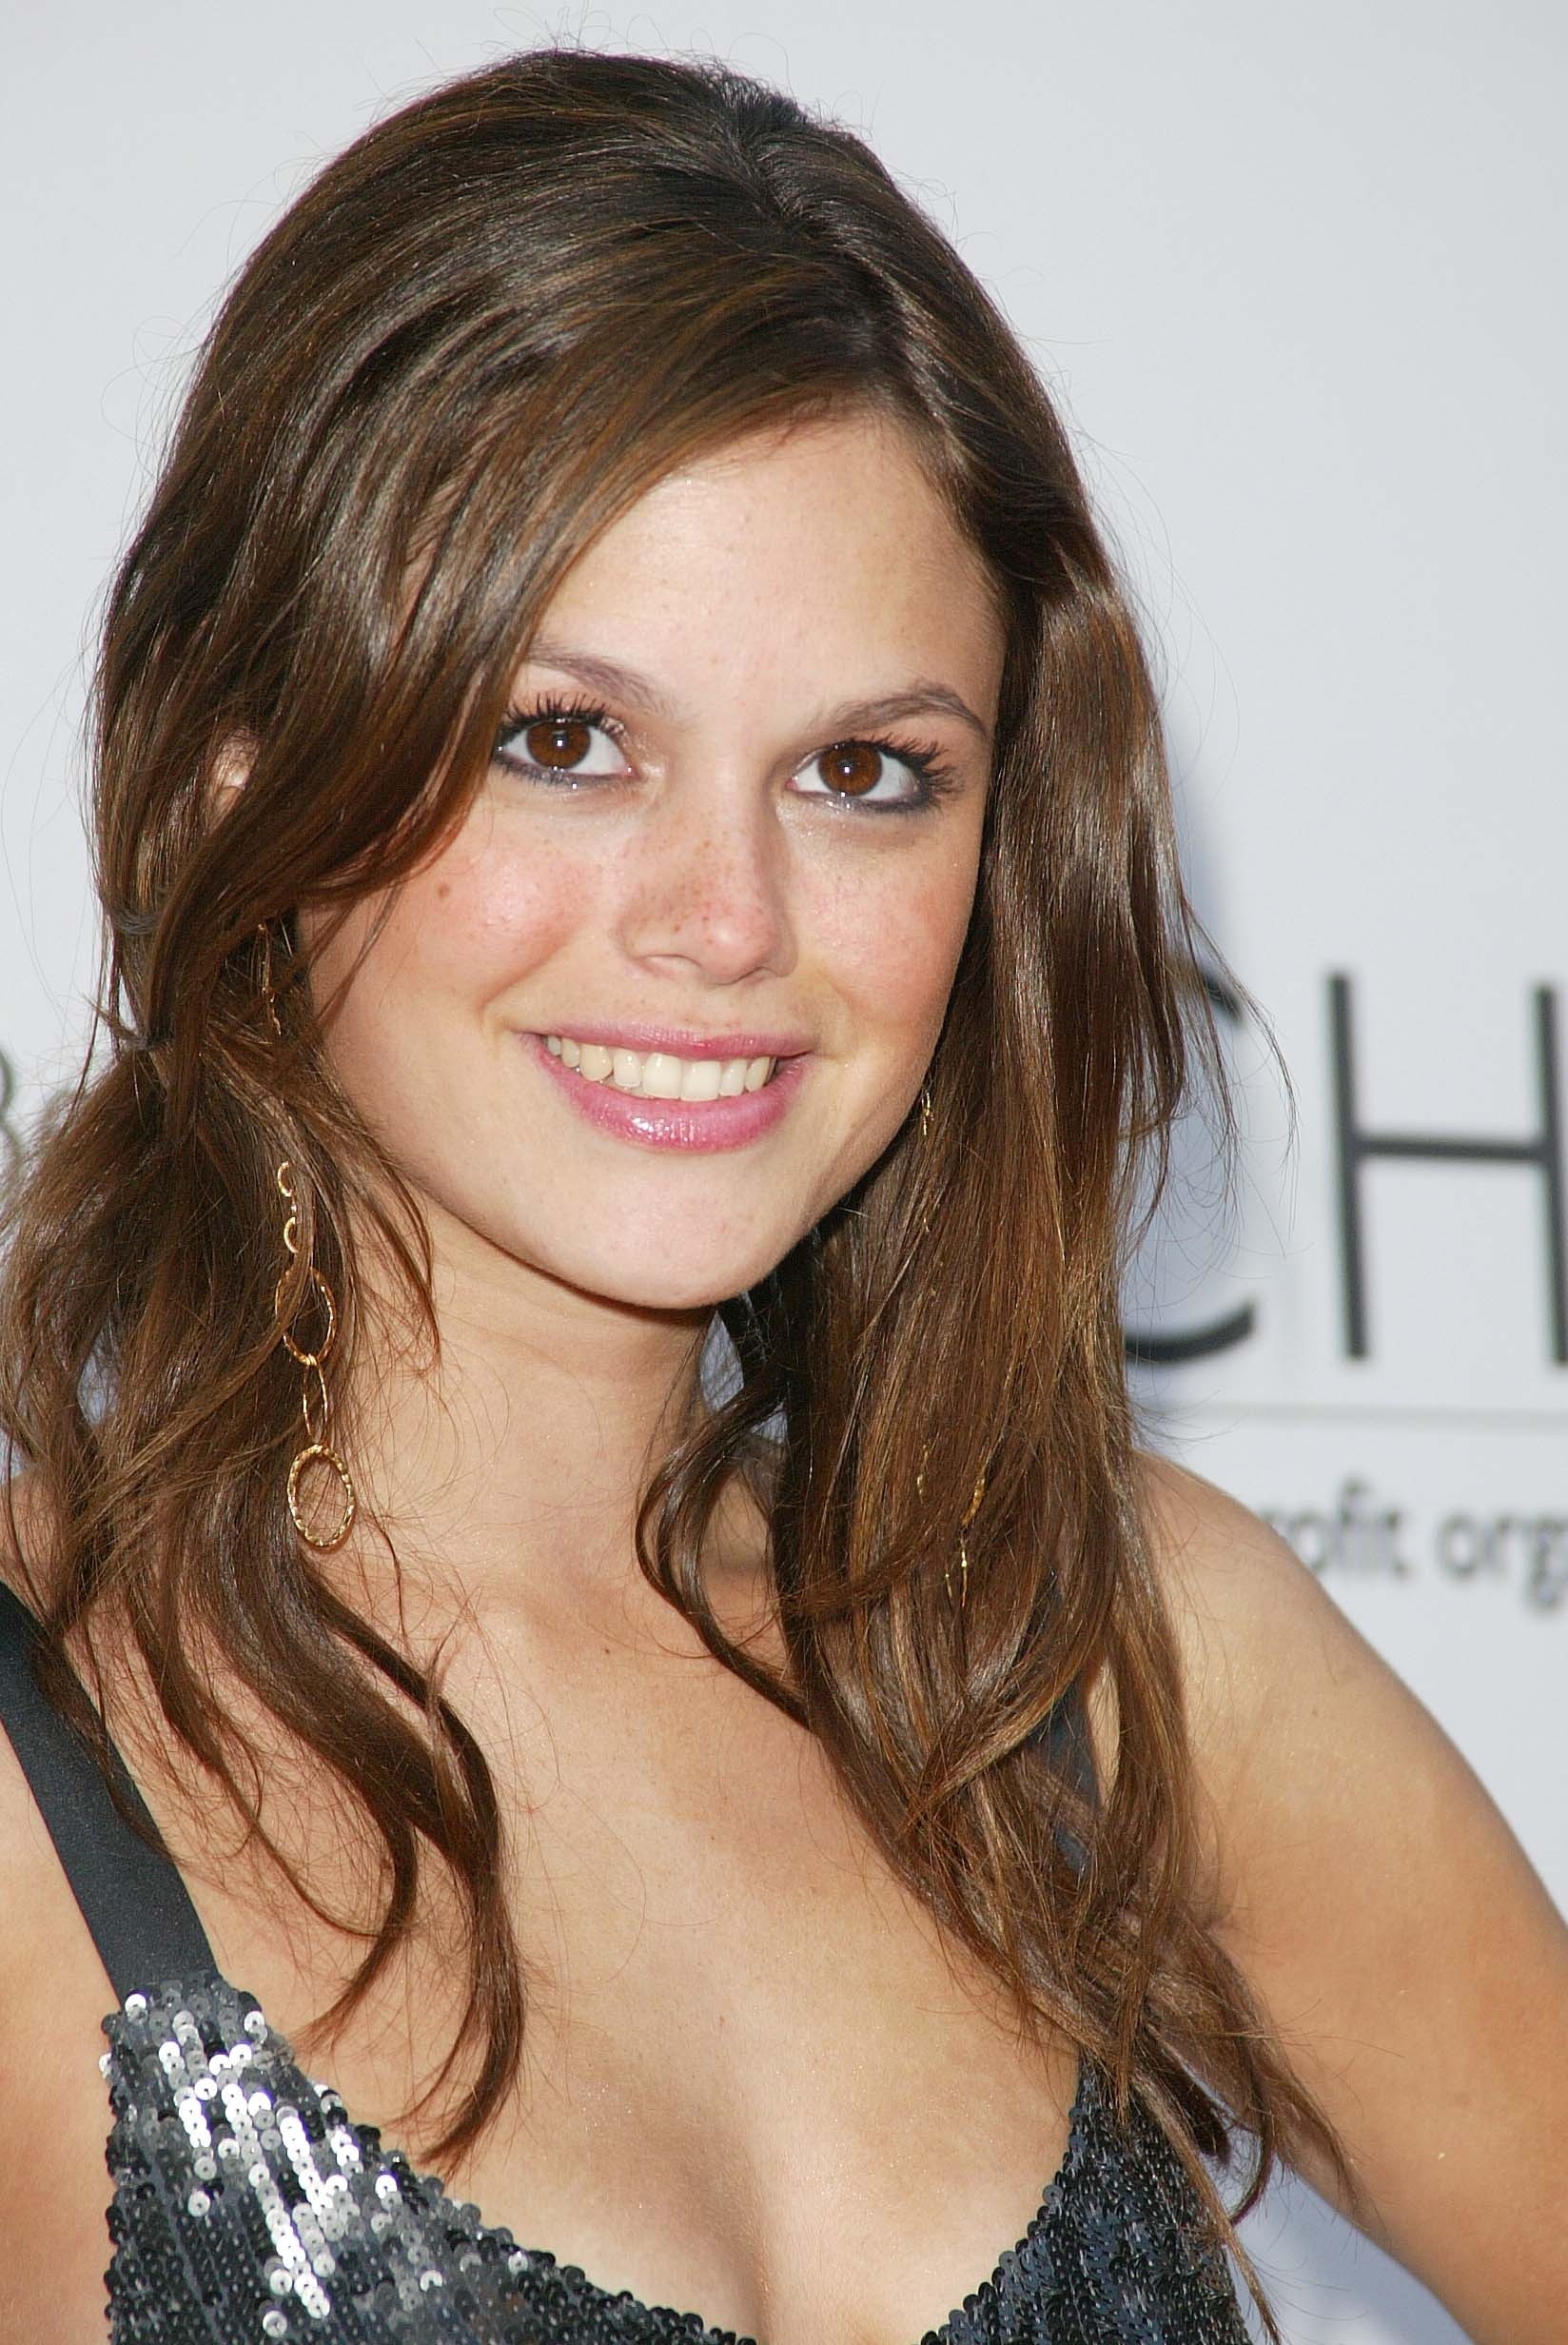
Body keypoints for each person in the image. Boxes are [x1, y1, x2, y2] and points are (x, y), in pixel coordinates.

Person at [0, 47, 1562, 2345]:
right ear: (245, 770)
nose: (728, 919)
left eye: (861, 770)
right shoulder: (40, 1750)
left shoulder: (1108, 1664)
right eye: (563, 739)